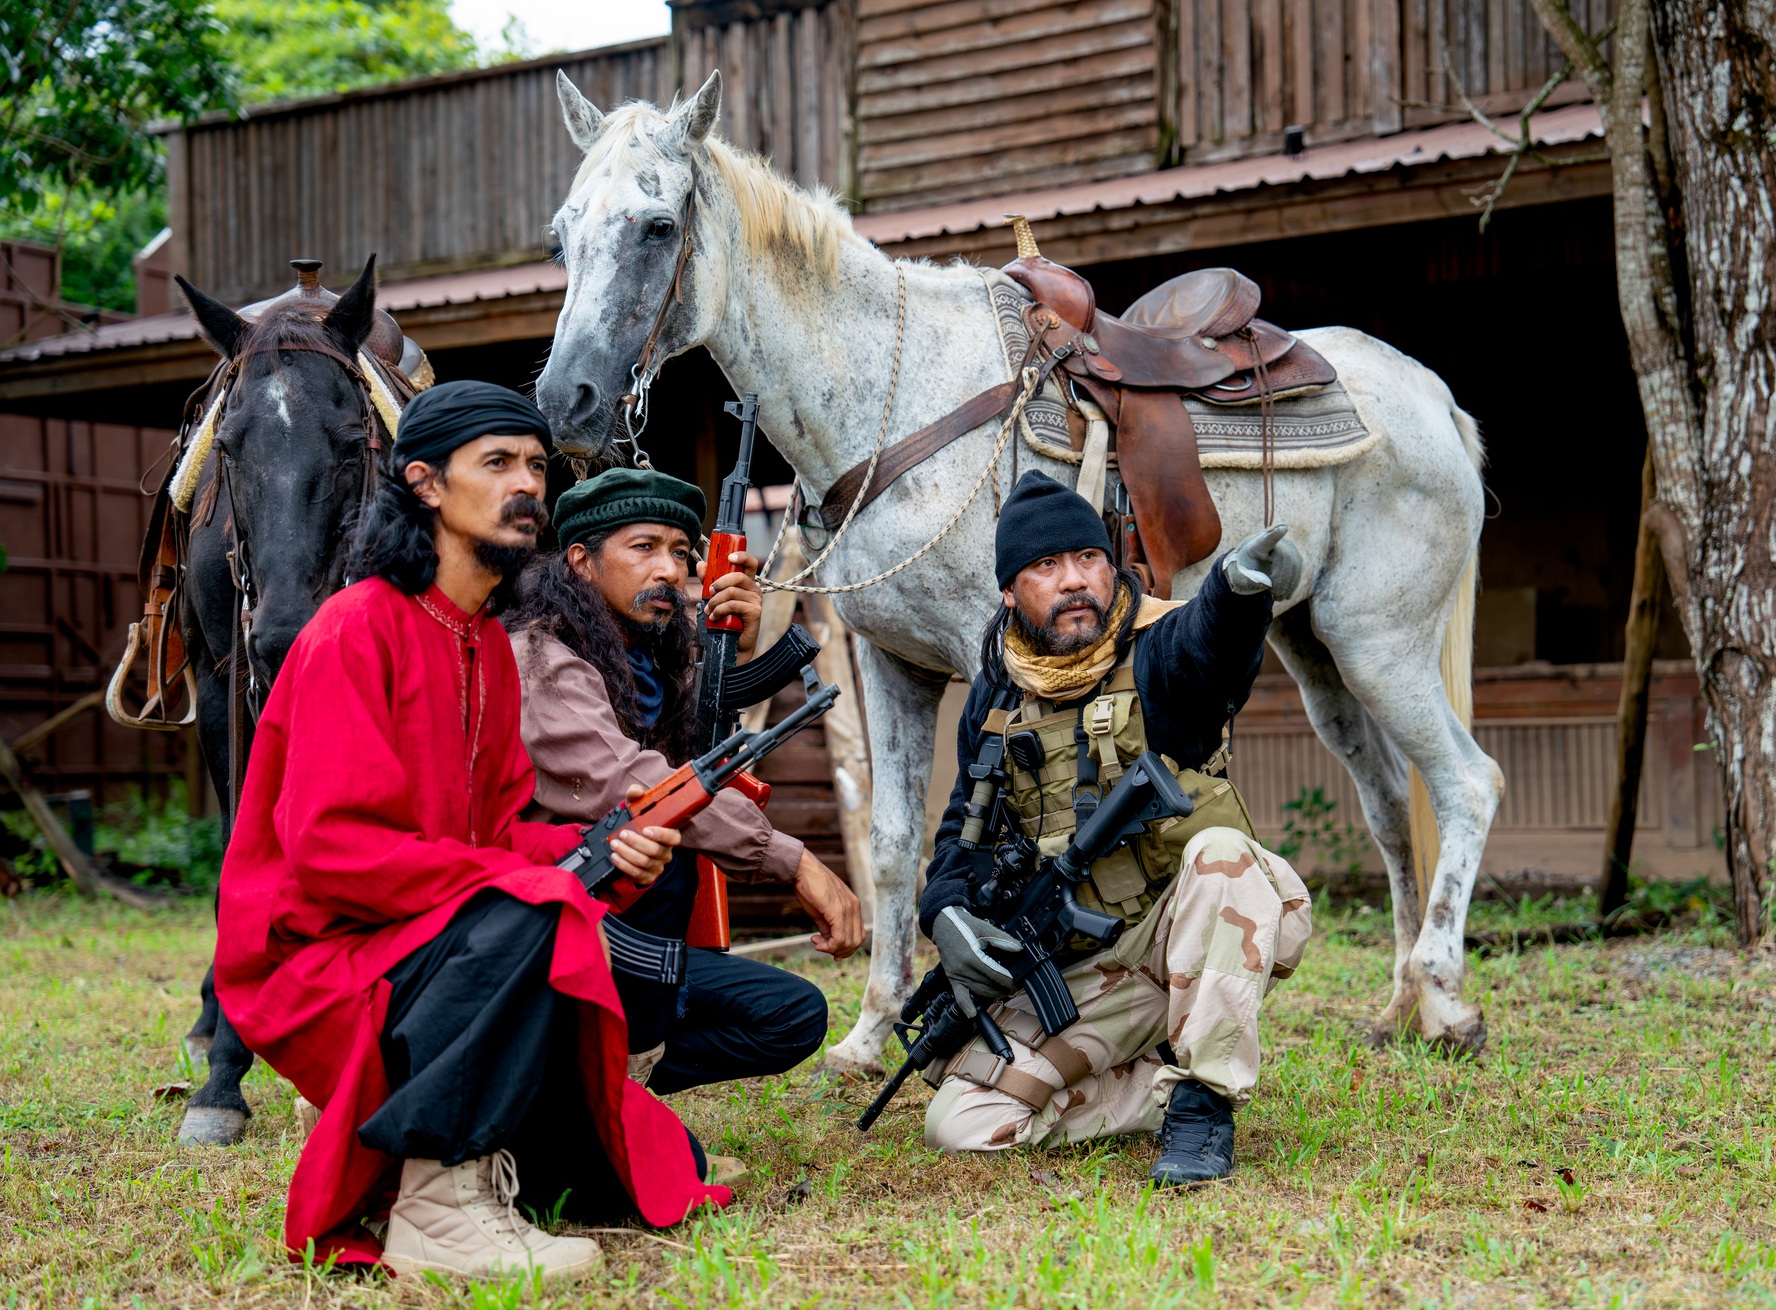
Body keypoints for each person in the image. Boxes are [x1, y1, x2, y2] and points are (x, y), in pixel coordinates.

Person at [214, 381, 728, 1282]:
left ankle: (489, 1163)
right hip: (318, 954)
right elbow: (334, 852)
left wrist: (607, 846)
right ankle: (434, 1205)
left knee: (638, 1157)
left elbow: (503, 831)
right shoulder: (353, 629)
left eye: (535, 464)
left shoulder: (484, 643)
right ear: (424, 483)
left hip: (421, 934)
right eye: (497, 463)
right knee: (530, 912)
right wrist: (526, 880)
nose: (526, 483)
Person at [919, 470, 1313, 1185]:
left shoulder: (1156, 649)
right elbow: (960, 829)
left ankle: (1205, 1105)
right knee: (960, 1125)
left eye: (1089, 559)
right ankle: (1158, 1084)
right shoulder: (997, 693)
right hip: (1088, 974)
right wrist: (945, 910)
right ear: (1011, 591)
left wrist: (1236, 592)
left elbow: (1209, 652)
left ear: (1112, 565)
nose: (1075, 581)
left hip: (1190, 932)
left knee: (1221, 854)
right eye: (1047, 566)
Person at [501, 467, 864, 1118]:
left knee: (793, 1014)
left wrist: (734, 648)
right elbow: (636, 783)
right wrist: (793, 860)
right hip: (538, 941)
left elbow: (696, 757)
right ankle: (582, 1096)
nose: (669, 569)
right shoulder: (539, 659)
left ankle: (601, 1083)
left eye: (681, 553)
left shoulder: (648, 659)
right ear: (581, 561)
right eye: (644, 548)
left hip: (623, 944)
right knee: (657, 850)